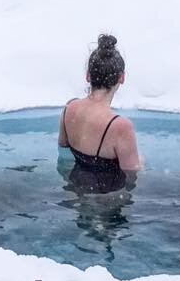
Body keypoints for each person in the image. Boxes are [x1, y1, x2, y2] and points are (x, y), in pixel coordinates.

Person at [58, 33, 143, 192]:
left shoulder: (69, 109)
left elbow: (63, 157)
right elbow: (132, 176)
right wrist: (141, 162)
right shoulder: (121, 126)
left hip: (75, 190)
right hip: (107, 201)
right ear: (122, 78)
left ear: (88, 75)